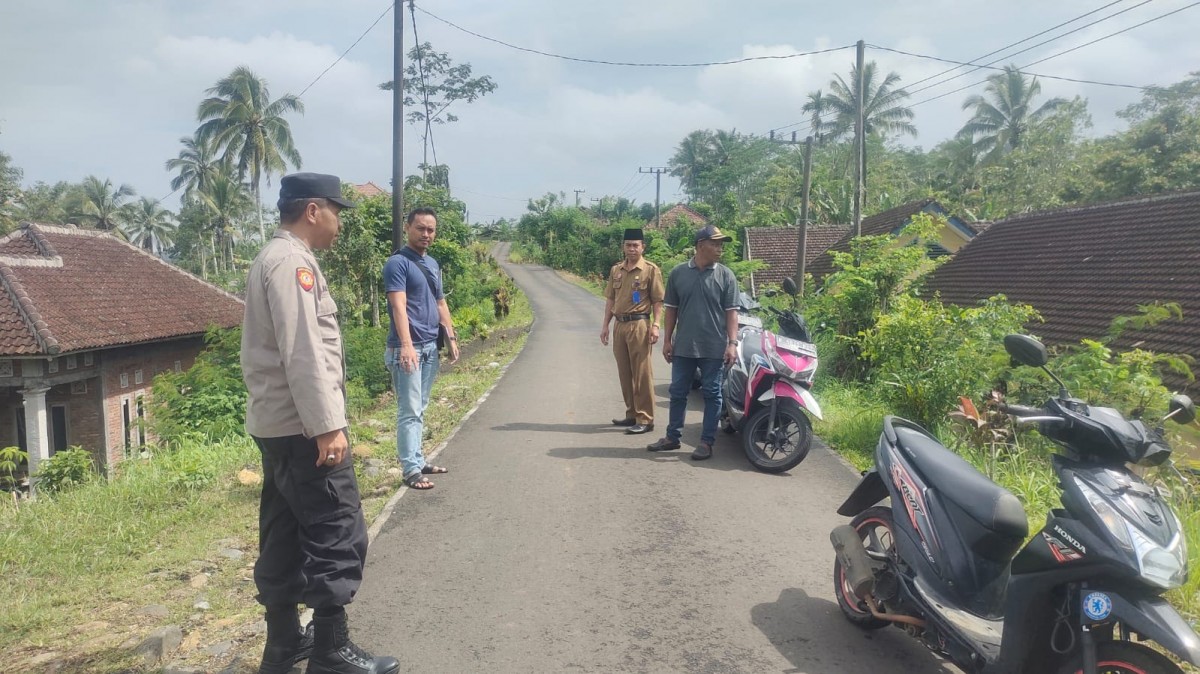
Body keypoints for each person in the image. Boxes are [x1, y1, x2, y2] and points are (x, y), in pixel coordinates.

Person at [241, 172, 399, 674]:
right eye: (336, 211)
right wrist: (328, 425)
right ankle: (330, 649)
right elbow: (304, 351)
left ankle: (283, 644)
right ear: (313, 210)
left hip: (279, 425)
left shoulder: (274, 257)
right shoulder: (292, 263)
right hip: (305, 428)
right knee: (336, 528)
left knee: (284, 531)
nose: (339, 223)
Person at [647, 225, 740, 461]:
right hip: (684, 346)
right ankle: (672, 437)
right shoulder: (678, 273)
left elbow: (732, 313)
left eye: (721, 244)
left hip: (713, 347)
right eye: (715, 244)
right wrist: (667, 340)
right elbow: (671, 310)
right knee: (678, 392)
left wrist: (732, 343)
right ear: (700, 246)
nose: (720, 248)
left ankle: (706, 442)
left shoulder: (726, 276)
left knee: (712, 394)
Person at [383, 207, 460, 490]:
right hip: (409, 348)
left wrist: (451, 338)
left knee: (421, 407)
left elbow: (441, 303)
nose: (426, 234)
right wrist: (405, 345)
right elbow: (398, 306)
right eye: (420, 228)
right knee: (410, 410)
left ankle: (418, 460)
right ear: (407, 228)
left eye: (431, 230)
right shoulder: (397, 264)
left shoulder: (433, 264)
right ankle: (411, 471)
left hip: (429, 346)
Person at [600, 228, 665, 435]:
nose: (632, 249)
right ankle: (632, 414)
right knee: (624, 372)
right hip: (619, 325)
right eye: (628, 245)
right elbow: (611, 299)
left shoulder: (650, 270)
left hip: (639, 325)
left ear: (642, 247)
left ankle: (645, 419)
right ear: (623, 247)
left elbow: (658, 301)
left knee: (642, 373)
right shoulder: (616, 270)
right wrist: (605, 325)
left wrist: (656, 325)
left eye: (636, 245)